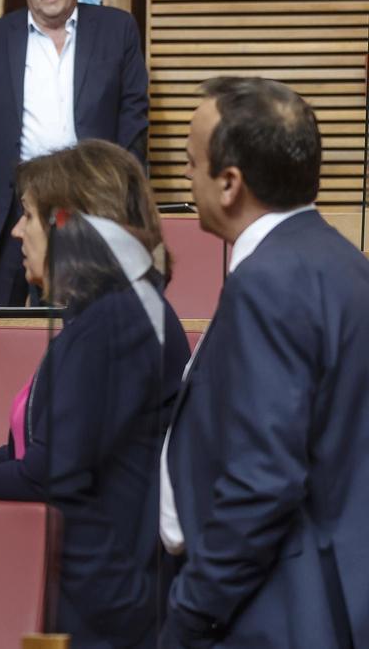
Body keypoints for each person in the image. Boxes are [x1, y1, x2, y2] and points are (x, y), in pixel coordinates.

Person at [0, 140, 190, 648]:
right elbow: (32, 449)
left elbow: (50, 471)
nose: (16, 231)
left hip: (103, 605)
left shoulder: (115, 325)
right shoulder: (110, 313)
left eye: (28, 216)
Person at [160, 78, 369, 648]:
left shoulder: (268, 282)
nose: (185, 178)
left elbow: (262, 481)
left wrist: (191, 614)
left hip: (281, 608)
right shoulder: (343, 262)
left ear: (230, 183)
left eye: (190, 163)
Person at [0, 0, 148, 315]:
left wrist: (121, 199)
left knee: (84, 321)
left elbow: (133, 119)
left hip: (88, 205)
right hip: (5, 210)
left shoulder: (117, 30)